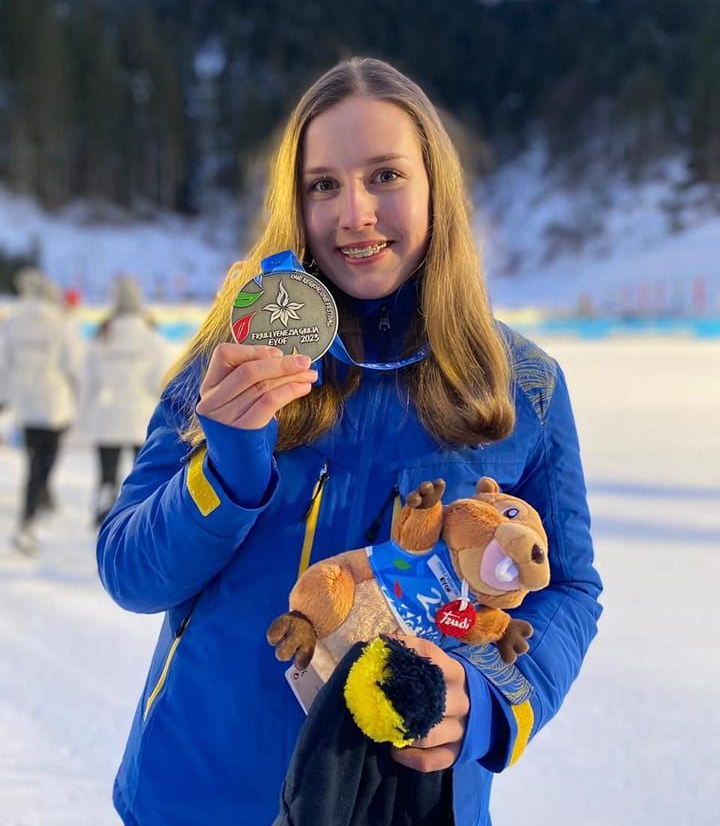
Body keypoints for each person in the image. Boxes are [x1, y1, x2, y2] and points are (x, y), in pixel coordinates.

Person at [98, 58, 602, 826]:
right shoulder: (234, 355)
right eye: (323, 185)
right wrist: (229, 466)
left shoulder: (521, 384)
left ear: (436, 187)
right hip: (201, 795)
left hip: (405, 804)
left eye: (386, 176)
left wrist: (495, 703)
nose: (355, 214)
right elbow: (132, 572)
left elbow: (567, 587)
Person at [1, 267, 84, 554]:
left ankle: (41, 497)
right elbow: (73, 363)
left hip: (25, 402)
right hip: (53, 402)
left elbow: (3, 364)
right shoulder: (60, 323)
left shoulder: (12, 322)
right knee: (46, 458)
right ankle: (28, 518)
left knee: (34, 457)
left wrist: (4, 398)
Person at [79, 276, 170, 528]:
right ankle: (136, 517)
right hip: (141, 418)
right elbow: (161, 382)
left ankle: (103, 511)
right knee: (141, 474)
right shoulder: (153, 340)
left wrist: (84, 418)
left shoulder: (101, 338)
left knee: (106, 472)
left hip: (106, 416)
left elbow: (88, 382)